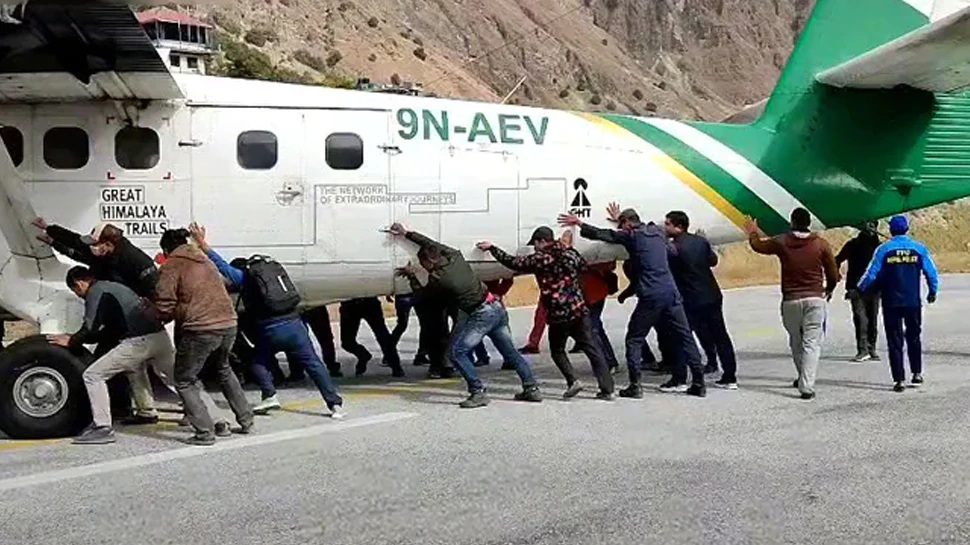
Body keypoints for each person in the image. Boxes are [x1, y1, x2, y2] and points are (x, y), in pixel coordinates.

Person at [189, 223, 345, 418]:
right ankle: (334, 404)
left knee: (257, 363)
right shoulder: (274, 277)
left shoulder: (244, 278)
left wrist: (202, 244)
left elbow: (221, 266)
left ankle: (270, 395)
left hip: (271, 330)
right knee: (314, 364)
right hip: (296, 326)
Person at [387, 222, 542, 408]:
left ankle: (478, 391)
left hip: (480, 314)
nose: (423, 266)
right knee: (510, 352)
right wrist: (406, 233)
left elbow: (422, 296)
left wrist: (411, 276)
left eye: (423, 263)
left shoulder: (441, 280)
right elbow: (429, 242)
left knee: (457, 353)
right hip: (496, 307)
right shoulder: (454, 256)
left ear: (430, 262)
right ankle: (531, 388)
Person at [559, 203, 706, 398]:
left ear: (627, 224)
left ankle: (635, 385)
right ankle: (699, 383)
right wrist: (620, 220)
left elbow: (602, 234)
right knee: (685, 336)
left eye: (622, 225)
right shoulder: (657, 232)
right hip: (671, 292)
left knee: (634, 339)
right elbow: (672, 252)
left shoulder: (632, 236)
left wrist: (579, 223)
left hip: (651, 294)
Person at [33, 219, 160, 420]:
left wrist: (73, 340)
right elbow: (76, 244)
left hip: (136, 320)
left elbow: (154, 289)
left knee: (112, 364)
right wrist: (51, 231)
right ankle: (140, 409)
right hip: (120, 319)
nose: (92, 248)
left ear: (108, 244)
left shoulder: (135, 260)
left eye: (95, 244)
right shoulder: (103, 256)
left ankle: (113, 415)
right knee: (133, 365)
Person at [478, 227, 616, 400]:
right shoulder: (569, 254)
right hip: (578, 310)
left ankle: (573, 380)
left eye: (535, 243)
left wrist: (492, 248)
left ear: (542, 241)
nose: (535, 247)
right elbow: (583, 266)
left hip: (559, 315)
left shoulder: (540, 258)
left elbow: (513, 262)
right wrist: (569, 248)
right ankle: (608, 389)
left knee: (557, 351)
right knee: (592, 349)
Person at [48, 267, 174, 445]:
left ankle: (102, 427)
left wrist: (71, 340)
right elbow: (112, 330)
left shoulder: (95, 292)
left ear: (79, 284)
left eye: (76, 291)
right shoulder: (113, 287)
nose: (79, 296)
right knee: (175, 379)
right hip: (160, 336)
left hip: (138, 341)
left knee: (93, 375)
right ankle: (205, 418)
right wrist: (79, 339)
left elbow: (90, 327)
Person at [155, 228, 254, 445]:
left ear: (166, 249)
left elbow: (165, 304)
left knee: (184, 380)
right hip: (228, 323)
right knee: (223, 369)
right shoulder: (204, 260)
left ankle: (204, 432)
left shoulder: (172, 265)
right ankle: (246, 419)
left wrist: (153, 314)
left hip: (201, 328)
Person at [745, 208, 840, 400]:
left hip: (791, 300)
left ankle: (802, 377)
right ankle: (807, 385)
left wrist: (753, 231)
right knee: (811, 344)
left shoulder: (781, 242)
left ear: (792, 222)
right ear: (809, 223)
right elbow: (832, 272)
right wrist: (829, 288)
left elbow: (758, 246)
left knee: (796, 341)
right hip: (815, 299)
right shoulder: (820, 244)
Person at [857, 215, 938, 392]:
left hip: (891, 302)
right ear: (907, 229)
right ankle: (916, 373)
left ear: (891, 230)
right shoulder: (918, 248)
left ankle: (899, 380)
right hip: (912, 301)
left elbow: (871, 274)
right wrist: (932, 292)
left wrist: (860, 289)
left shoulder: (883, 250)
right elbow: (931, 273)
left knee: (894, 341)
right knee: (914, 337)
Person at [664, 211, 739, 389]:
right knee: (721, 336)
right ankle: (730, 377)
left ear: (679, 227)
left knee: (681, 337)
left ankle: (679, 379)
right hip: (711, 295)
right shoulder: (700, 241)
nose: (664, 227)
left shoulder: (674, 248)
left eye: (667, 224)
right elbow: (713, 261)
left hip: (691, 299)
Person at [398, 267, 457, 379]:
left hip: (434, 319)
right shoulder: (433, 291)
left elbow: (418, 290)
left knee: (437, 341)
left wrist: (412, 276)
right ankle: (442, 366)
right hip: (433, 319)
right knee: (437, 341)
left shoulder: (434, 291)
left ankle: (440, 367)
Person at [836, 221, 883, 362]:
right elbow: (837, 259)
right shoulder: (853, 244)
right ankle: (862, 350)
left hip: (874, 289)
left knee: (872, 319)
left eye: (873, 226)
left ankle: (871, 348)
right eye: (868, 226)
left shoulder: (880, 247)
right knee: (860, 319)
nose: (870, 229)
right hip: (855, 289)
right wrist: (836, 274)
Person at [339, 297, 405, 377]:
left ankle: (396, 365)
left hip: (369, 302)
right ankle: (363, 355)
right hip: (349, 304)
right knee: (347, 342)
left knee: (383, 336)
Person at [580, 260, 621, 374]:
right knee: (596, 328)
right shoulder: (595, 255)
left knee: (593, 330)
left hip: (592, 293)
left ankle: (607, 363)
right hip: (593, 292)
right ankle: (609, 361)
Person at [478, 278, 516, 369]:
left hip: (491, 301)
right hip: (482, 301)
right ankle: (481, 356)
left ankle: (510, 359)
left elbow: (508, 278)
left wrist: (498, 293)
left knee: (502, 334)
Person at [301, 305, 343, 377]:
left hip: (310, 308)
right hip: (313, 308)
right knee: (325, 339)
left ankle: (297, 371)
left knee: (325, 339)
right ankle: (332, 366)